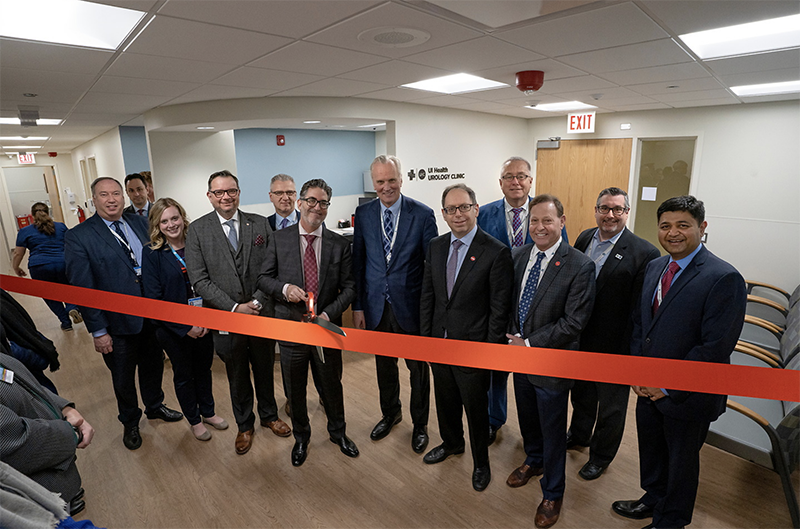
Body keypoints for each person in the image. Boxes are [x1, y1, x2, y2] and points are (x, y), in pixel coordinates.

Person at [612, 195, 746, 529]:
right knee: (653, 452)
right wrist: (638, 372)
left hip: (688, 395)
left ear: (702, 228)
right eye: (666, 226)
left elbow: (714, 347)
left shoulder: (723, 277)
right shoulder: (656, 266)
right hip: (647, 387)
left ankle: (670, 521)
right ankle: (653, 499)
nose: (673, 233)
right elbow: (641, 324)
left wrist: (667, 385)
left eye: (683, 225)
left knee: (681, 463)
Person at [64, 177, 183, 451]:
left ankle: (155, 406)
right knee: (123, 378)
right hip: (115, 325)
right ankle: (130, 421)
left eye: (116, 193)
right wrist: (98, 330)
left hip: (151, 318)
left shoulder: (142, 224)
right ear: (94, 200)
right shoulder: (79, 236)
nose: (111, 199)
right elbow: (82, 288)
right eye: (104, 195)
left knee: (153, 367)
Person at [185, 169, 290, 456]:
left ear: (239, 192)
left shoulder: (258, 224)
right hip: (225, 318)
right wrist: (233, 308)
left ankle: (270, 416)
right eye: (219, 192)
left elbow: (271, 268)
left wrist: (255, 302)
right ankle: (245, 425)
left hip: (260, 313)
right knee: (237, 373)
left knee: (265, 367)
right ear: (210, 196)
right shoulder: (197, 230)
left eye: (231, 190)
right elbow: (199, 279)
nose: (226, 197)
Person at [505, 194, 595, 529]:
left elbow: (573, 323)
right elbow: (509, 303)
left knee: (553, 429)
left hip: (552, 363)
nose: (540, 227)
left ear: (562, 221)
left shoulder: (579, 265)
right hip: (519, 359)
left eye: (547, 220)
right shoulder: (517, 256)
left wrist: (527, 343)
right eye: (534, 221)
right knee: (528, 419)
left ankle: (553, 491)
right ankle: (534, 460)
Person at [258, 178, 358, 466]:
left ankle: (338, 433)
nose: (317, 207)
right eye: (311, 201)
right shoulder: (279, 239)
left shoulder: (339, 245)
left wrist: (328, 314)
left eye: (323, 202)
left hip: (326, 330)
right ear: (299, 203)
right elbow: (263, 279)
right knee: (295, 389)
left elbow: (350, 287)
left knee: (331, 385)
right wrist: (284, 289)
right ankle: (301, 438)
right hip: (291, 329)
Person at [420, 183, 513, 492]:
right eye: (450, 209)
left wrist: (487, 351)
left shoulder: (496, 251)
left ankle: (481, 463)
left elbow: (498, 310)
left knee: (475, 410)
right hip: (440, 342)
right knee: (445, 401)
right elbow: (428, 297)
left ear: (475, 209)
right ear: (443, 214)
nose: (457, 214)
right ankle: (451, 443)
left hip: (473, 348)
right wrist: (426, 340)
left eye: (463, 207)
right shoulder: (435, 246)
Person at [567, 188, 660, 480]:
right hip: (580, 338)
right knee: (581, 396)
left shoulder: (645, 253)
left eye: (617, 210)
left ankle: (601, 455)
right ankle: (579, 434)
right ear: (595, 210)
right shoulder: (584, 238)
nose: (610, 215)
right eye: (604, 208)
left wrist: (634, 355)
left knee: (611, 408)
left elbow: (641, 310)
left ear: (627, 213)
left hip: (616, 345)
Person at [476, 157, 568, 445]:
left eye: (522, 176)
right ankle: (494, 419)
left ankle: (539, 433)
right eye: (509, 176)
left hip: (537, 307)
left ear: (531, 181)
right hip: (496, 306)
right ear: (500, 182)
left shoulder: (546, 213)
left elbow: (561, 256)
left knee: (534, 378)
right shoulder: (486, 213)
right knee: (496, 371)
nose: (515, 181)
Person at [353, 155, 437, 453]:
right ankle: (391, 413)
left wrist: (430, 312)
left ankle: (420, 425)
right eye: (380, 181)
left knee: (418, 371)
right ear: (373, 183)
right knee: (384, 367)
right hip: (377, 307)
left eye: (391, 180)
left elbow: (432, 269)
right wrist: (358, 306)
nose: (386, 187)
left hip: (411, 308)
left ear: (401, 179)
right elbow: (359, 263)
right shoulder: (363, 215)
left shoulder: (423, 214)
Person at [142, 198, 229, 442]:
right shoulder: (152, 253)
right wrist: (185, 327)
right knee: (184, 374)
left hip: (203, 321)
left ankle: (208, 412)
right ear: (157, 225)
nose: (171, 225)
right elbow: (154, 299)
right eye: (165, 221)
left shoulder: (196, 243)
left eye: (175, 218)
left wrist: (203, 322)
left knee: (204, 369)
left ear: (183, 217)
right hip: (173, 329)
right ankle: (194, 420)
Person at [0, 351, 94, 516]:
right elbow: (16, 441)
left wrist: (65, 408)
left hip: (52, 479)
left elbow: (27, 384)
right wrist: (71, 433)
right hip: (33, 501)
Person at [12, 202, 82, 331]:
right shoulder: (60, 227)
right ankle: (72, 307)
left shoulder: (24, 231)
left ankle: (65, 322)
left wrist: (16, 267)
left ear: (32, 215)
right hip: (63, 263)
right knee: (68, 288)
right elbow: (71, 246)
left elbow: (17, 253)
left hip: (39, 266)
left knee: (49, 295)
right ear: (48, 212)